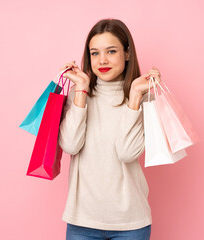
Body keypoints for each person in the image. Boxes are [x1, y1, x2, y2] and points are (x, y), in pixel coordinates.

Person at [58, 18, 161, 240]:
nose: (102, 60)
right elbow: (70, 145)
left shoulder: (145, 97)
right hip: (81, 221)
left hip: (131, 223)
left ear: (127, 53)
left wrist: (134, 96)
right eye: (94, 53)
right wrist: (81, 90)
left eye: (111, 51)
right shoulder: (79, 94)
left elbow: (127, 152)